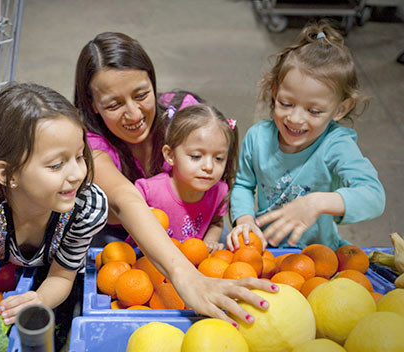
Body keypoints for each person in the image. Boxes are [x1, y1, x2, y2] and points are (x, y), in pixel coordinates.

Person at [74, 31, 276, 325]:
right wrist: (185, 275)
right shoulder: (91, 144)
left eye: (141, 95)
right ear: (92, 103)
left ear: (152, 83)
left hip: (192, 237)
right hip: (128, 249)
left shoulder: (180, 113)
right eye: (114, 105)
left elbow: (221, 170)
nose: (133, 114)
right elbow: (125, 199)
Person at [0, 82, 108, 329]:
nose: (77, 173)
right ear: (7, 174)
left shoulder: (86, 207)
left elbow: (62, 274)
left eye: (79, 156)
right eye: (56, 165)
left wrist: (41, 299)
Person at [227, 21, 385, 252]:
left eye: (314, 111)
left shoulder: (336, 145)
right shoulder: (257, 138)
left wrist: (316, 202)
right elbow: (242, 185)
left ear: (341, 109)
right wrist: (244, 220)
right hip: (264, 250)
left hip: (318, 254)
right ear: (274, 92)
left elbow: (374, 197)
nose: (295, 119)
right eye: (286, 103)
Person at [134, 92, 238, 252]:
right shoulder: (147, 191)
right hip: (149, 264)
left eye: (218, 158)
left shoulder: (219, 191)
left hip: (192, 264)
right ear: (170, 155)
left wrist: (210, 242)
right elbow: (131, 222)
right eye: (196, 156)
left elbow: (216, 222)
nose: (209, 167)